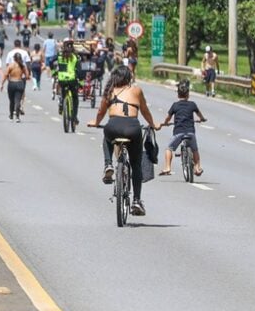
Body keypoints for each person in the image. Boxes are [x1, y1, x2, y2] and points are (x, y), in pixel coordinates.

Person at [87, 66, 160, 216]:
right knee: (136, 164)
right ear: (128, 77)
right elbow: (145, 111)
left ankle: (108, 164)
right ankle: (137, 201)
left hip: (113, 127)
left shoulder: (109, 91)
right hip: (133, 129)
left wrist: (95, 122)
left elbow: (101, 112)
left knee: (107, 137)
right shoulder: (136, 90)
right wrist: (153, 124)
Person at [160, 80, 207, 177]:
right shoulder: (192, 104)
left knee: (169, 148)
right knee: (195, 150)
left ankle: (168, 167)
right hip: (190, 132)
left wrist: (165, 123)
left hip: (178, 132)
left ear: (178, 95)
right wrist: (202, 119)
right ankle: (197, 168)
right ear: (188, 95)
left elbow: (168, 118)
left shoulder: (175, 105)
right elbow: (200, 115)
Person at [55, 40, 80, 125]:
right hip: (72, 80)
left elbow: (51, 61)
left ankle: (62, 103)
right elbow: (79, 70)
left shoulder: (59, 56)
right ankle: (74, 117)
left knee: (63, 92)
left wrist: (53, 71)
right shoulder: (75, 56)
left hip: (62, 79)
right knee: (75, 98)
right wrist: (81, 80)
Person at [1, 52, 30, 122]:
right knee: (18, 101)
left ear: (14, 58)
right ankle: (17, 117)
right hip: (20, 83)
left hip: (12, 83)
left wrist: (2, 84)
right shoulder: (23, 66)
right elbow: (27, 76)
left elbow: (5, 75)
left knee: (11, 101)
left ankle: (11, 116)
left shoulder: (11, 66)